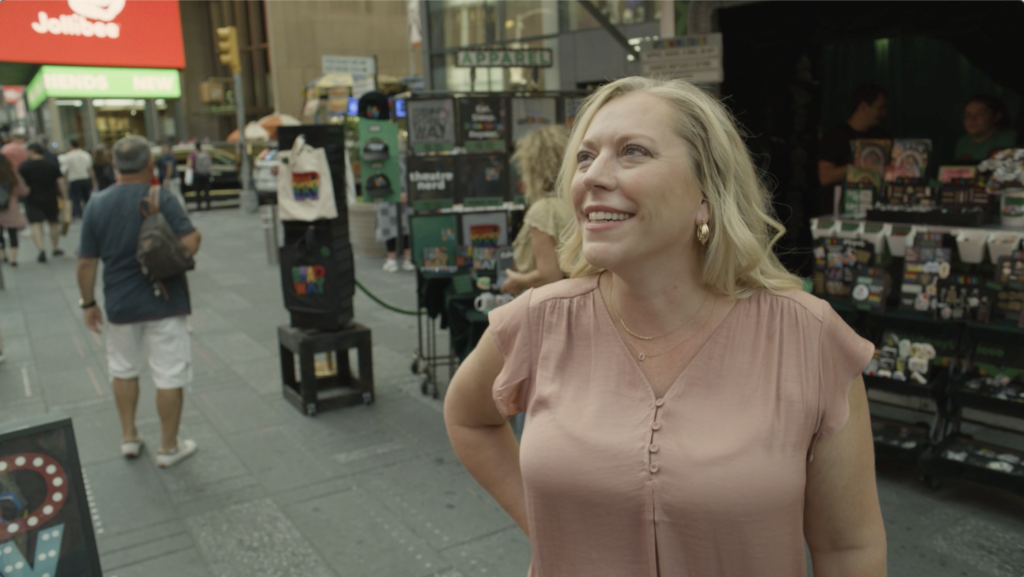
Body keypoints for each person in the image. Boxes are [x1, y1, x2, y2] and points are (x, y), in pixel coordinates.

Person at [444, 77, 887, 576]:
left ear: (706, 194)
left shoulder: (808, 338)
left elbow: (849, 548)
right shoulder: (538, 320)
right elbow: (467, 417)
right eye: (585, 157)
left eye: (633, 151)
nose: (593, 175)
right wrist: (551, 534)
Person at [77, 135, 201, 467]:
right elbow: (191, 240)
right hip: (165, 299)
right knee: (169, 374)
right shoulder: (160, 197)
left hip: (120, 304)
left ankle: (129, 437)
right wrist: (166, 257)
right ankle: (168, 448)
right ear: (150, 164)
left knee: (122, 370)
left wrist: (88, 304)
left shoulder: (96, 204)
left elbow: (86, 263)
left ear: (114, 166)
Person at [500, 125, 573, 296]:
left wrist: (517, 281)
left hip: (555, 302)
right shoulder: (576, 202)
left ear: (532, 166)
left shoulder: (543, 210)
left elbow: (549, 276)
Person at [817, 83, 890, 214]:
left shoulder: (882, 138)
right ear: (863, 106)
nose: (884, 113)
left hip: (875, 213)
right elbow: (825, 177)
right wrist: (861, 165)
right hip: (841, 213)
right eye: (880, 107)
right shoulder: (835, 136)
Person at [18, 143, 67, 263]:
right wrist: (65, 197)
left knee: (36, 224)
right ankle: (54, 248)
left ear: (32, 151)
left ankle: (41, 250)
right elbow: (61, 182)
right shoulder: (51, 164)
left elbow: (19, 183)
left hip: (32, 199)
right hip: (51, 198)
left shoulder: (24, 166)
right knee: (53, 223)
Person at [955, 95, 1017, 163]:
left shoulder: (1011, 139)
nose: (972, 119)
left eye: (980, 114)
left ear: (996, 116)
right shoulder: (964, 142)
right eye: (967, 115)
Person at [0, 152, 30, 267]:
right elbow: (23, 191)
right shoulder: (12, 175)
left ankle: (2, 254)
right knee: (13, 234)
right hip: (11, 209)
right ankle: (13, 258)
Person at [60, 139, 98, 219]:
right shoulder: (85, 154)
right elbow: (90, 169)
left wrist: (65, 181)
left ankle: (81, 215)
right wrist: (93, 180)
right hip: (85, 178)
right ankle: (89, 213)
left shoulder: (68, 156)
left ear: (71, 145)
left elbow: (66, 171)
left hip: (74, 179)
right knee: (86, 198)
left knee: (76, 199)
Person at [187, 142, 213, 211]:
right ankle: (208, 207)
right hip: (206, 174)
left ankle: (199, 207)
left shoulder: (192, 154)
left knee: (198, 192)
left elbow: (189, 164)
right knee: (206, 191)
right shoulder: (206, 153)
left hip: (197, 174)